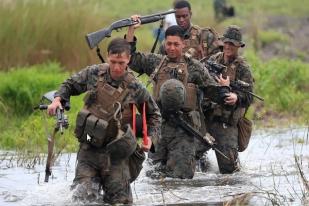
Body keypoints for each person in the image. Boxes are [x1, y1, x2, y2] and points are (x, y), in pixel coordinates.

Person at [47, 38, 161, 204]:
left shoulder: (136, 87)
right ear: (108, 56)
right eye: (113, 61)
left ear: (128, 59)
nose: (116, 67)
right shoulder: (94, 73)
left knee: (120, 202)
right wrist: (58, 99)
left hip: (117, 155)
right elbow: (69, 84)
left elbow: (154, 115)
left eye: (121, 63)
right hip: (89, 149)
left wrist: (150, 138)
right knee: (81, 199)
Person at [126, 16, 226, 179]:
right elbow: (131, 58)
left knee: (181, 180)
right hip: (158, 131)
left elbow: (212, 90)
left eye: (176, 44)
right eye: (169, 44)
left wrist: (224, 90)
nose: (172, 48)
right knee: (154, 178)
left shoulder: (195, 67)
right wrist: (131, 30)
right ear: (164, 43)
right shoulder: (155, 63)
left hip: (184, 132)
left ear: (184, 44)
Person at [203, 25, 254, 174]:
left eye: (232, 44)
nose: (228, 46)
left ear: (238, 46)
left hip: (226, 123)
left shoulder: (243, 67)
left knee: (230, 171)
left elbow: (249, 95)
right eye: (226, 42)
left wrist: (236, 97)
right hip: (206, 118)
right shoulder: (212, 60)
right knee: (190, 159)